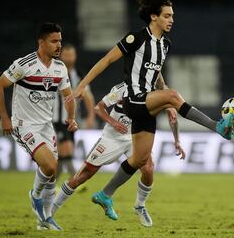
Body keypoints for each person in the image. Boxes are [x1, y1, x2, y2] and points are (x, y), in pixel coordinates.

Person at [74, 0, 234, 220]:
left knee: (140, 159)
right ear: (153, 17)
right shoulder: (136, 38)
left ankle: (106, 193)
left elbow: (156, 75)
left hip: (146, 104)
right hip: (133, 99)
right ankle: (217, 126)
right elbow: (106, 60)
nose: (171, 20)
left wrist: (168, 101)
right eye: (167, 16)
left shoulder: (164, 45)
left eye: (172, 16)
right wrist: (82, 86)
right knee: (173, 95)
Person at [51, 82, 185, 227]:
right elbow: (99, 108)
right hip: (112, 138)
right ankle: (48, 213)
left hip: (135, 138)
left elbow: (173, 117)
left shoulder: (156, 93)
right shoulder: (123, 88)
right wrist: (113, 123)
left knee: (148, 169)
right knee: (82, 176)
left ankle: (139, 206)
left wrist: (177, 140)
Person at [0, 22, 77, 231]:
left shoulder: (60, 67)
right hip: (24, 125)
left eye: (60, 41)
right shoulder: (24, 64)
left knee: (53, 171)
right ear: (41, 42)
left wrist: (72, 117)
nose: (59, 45)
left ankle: (44, 220)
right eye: (54, 41)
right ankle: (35, 195)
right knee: (49, 166)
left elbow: (68, 96)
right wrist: (4, 117)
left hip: (46, 126)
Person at [53, 44, 96, 180]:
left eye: (72, 55)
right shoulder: (53, 71)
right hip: (55, 120)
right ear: (61, 55)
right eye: (67, 55)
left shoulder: (78, 74)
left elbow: (88, 95)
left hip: (71, 120)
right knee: (66, 150)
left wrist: (91, 115)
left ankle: (51, 185)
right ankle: (75, 181)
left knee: (62, 155)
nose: (69, 58)